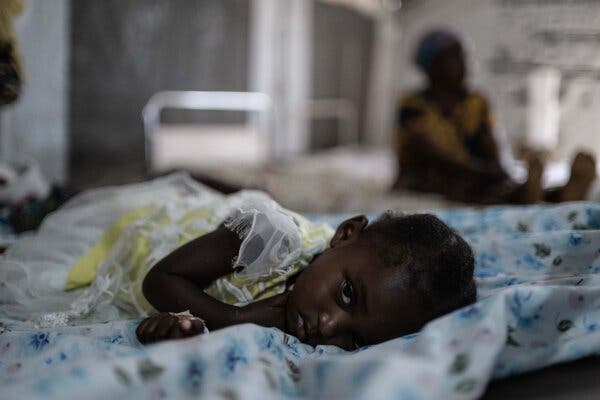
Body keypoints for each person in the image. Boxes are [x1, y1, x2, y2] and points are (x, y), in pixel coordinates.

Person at [63, 185, 476, 351]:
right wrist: (232, 318)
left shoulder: (317, 317)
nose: (329, 326)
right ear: (345, 233)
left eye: (353, 338)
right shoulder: (271, 238)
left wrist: (187, 327)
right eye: (347, 294)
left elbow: (185, 318)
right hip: (151, 242)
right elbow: (161, 279)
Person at [393, 29, 596, 204]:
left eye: (465, 55)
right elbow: (437, 157)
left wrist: (500, 170)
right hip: (434, 177)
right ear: (432, 65)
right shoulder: (412, 106)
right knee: (453, 185)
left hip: (478, 176)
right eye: (454, 56)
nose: (465, 62)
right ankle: (548, 196)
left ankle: (549, 193)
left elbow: (494, 145)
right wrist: (489, 174)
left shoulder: (476, 102)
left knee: (500, 186)